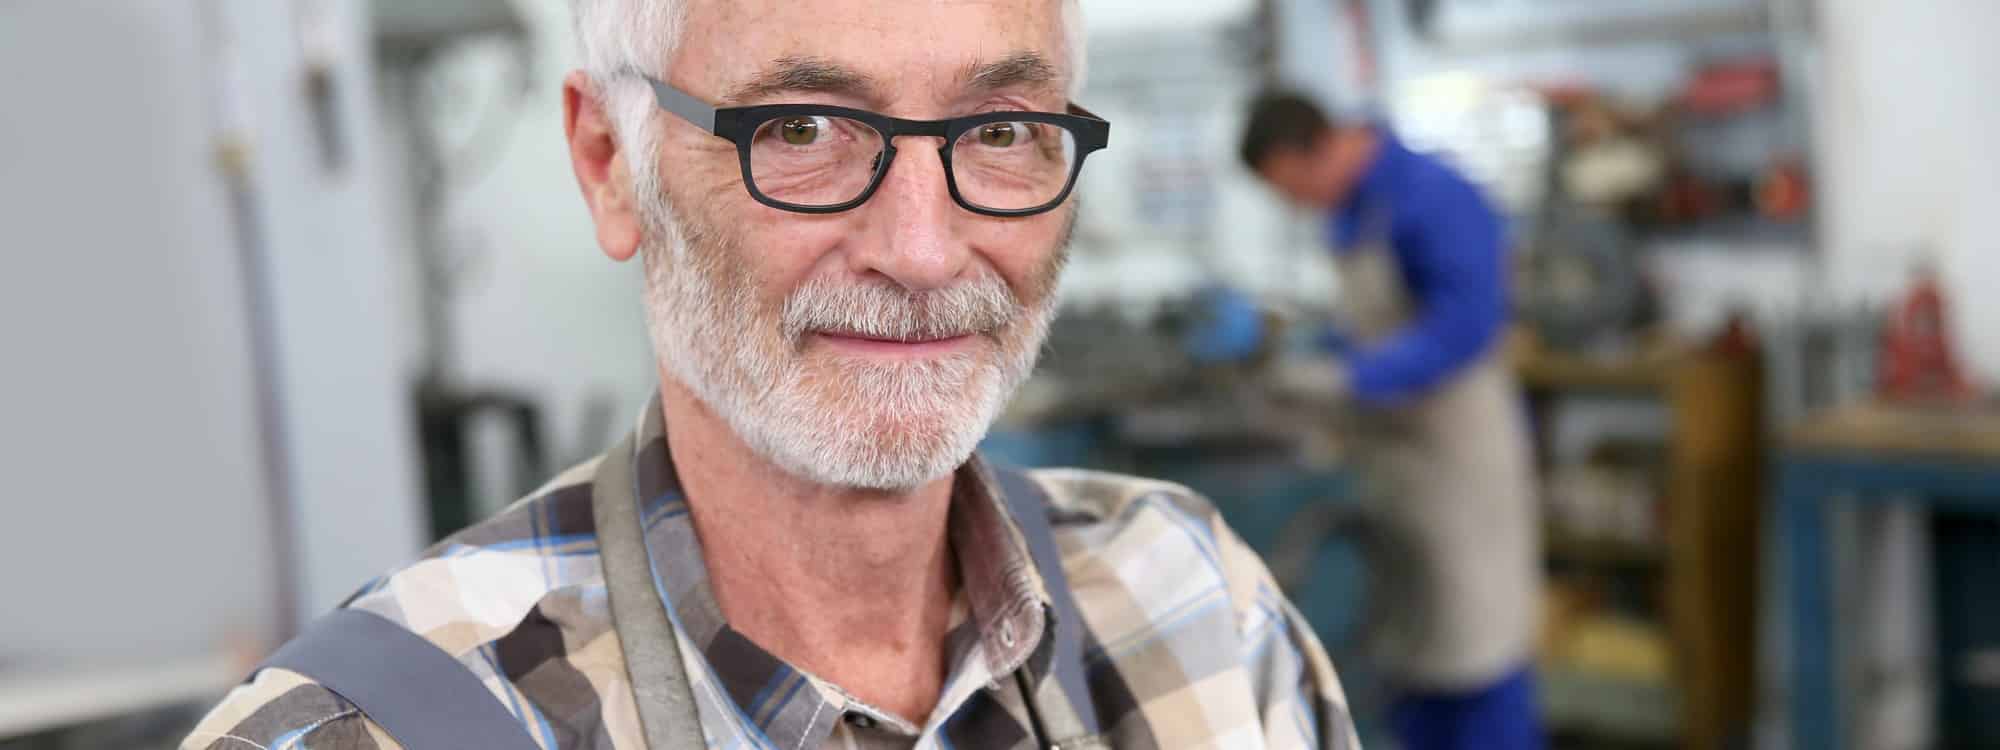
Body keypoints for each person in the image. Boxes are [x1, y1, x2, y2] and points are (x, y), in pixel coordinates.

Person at [182, 4, 1360, 749]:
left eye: (998, 131)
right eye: (800, 129)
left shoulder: (1199, 608)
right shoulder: (363, 734)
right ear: (608, 165)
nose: (920, 251)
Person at [1240, 91, 1544, 750]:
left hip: (1458, 461)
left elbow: (1466, 326)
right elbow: (1370, 328)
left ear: (1314, 149)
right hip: (1395, 466)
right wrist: (1315, 353)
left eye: (1293, 188)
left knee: (1477, 648)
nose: (1297, 205)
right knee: (1411, 653)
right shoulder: (1351, 215)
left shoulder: (1431, 194)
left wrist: (1353, 379)